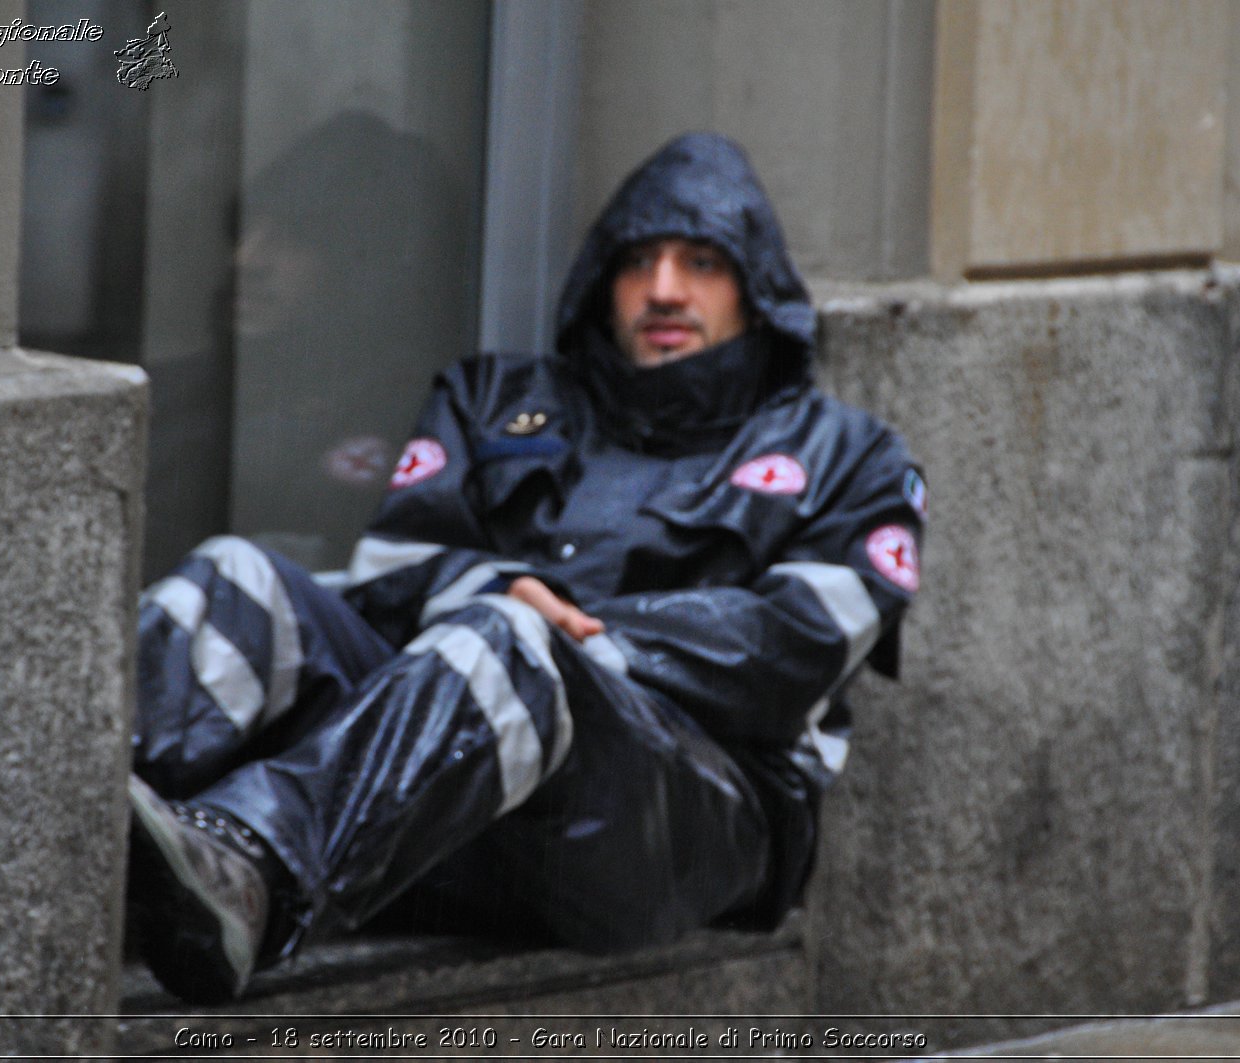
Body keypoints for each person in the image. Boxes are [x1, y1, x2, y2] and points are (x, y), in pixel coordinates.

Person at [126, 132, 925, 1005]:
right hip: (438, 803)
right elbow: (393, 570)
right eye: (637, 262)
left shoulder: (851, 454)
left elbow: (790, 651)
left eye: (702, 262)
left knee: (512, 638)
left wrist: (568, 636)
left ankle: (251, 878)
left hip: (675, 826)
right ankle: (86, 837)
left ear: (756, 288)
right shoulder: (491, 400)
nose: (664, 290)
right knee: (239, 577)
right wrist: (500, 600)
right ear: (600, 281)